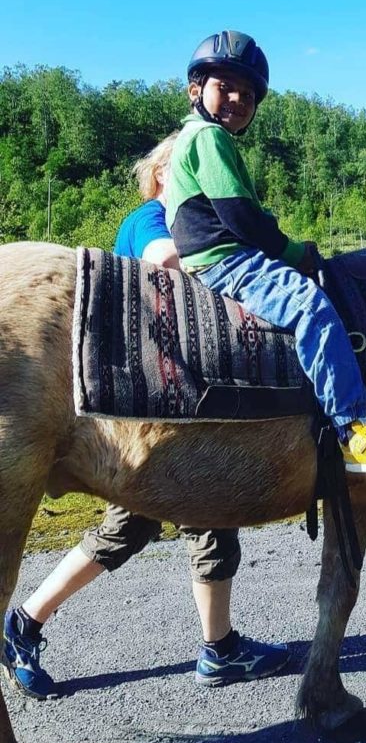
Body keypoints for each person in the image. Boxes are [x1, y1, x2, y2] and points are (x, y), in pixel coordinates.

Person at [3, 136, 291, 701]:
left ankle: (27, 623)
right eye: (182, 170)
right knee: (204, 512)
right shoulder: (150, 218)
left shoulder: (172, 216)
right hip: (155, 406)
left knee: (130, 529)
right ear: (161, 174)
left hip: (165, 397)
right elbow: (165, 263)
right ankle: (220, 649)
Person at [166, 29, 366, 474]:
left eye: (248, 94)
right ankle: (353, 427)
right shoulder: (208, 138)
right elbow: (241, 217)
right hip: (226, 261)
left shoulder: (192, 138)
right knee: (310, 307)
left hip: (215, 257)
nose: (238, 99)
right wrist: (293, 250)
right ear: (195, 90)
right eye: (226, 87)